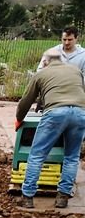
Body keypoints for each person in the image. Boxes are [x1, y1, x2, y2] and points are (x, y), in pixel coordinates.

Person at [16, 51, 85, 209]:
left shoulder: (42, 74)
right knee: (72, 157)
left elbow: (26, 101)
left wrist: (19, 119)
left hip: (56, 113)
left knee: (37, 154)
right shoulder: (75, 71)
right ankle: (62, 197)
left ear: (45, 62)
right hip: (81, 113)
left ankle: (27, 196)